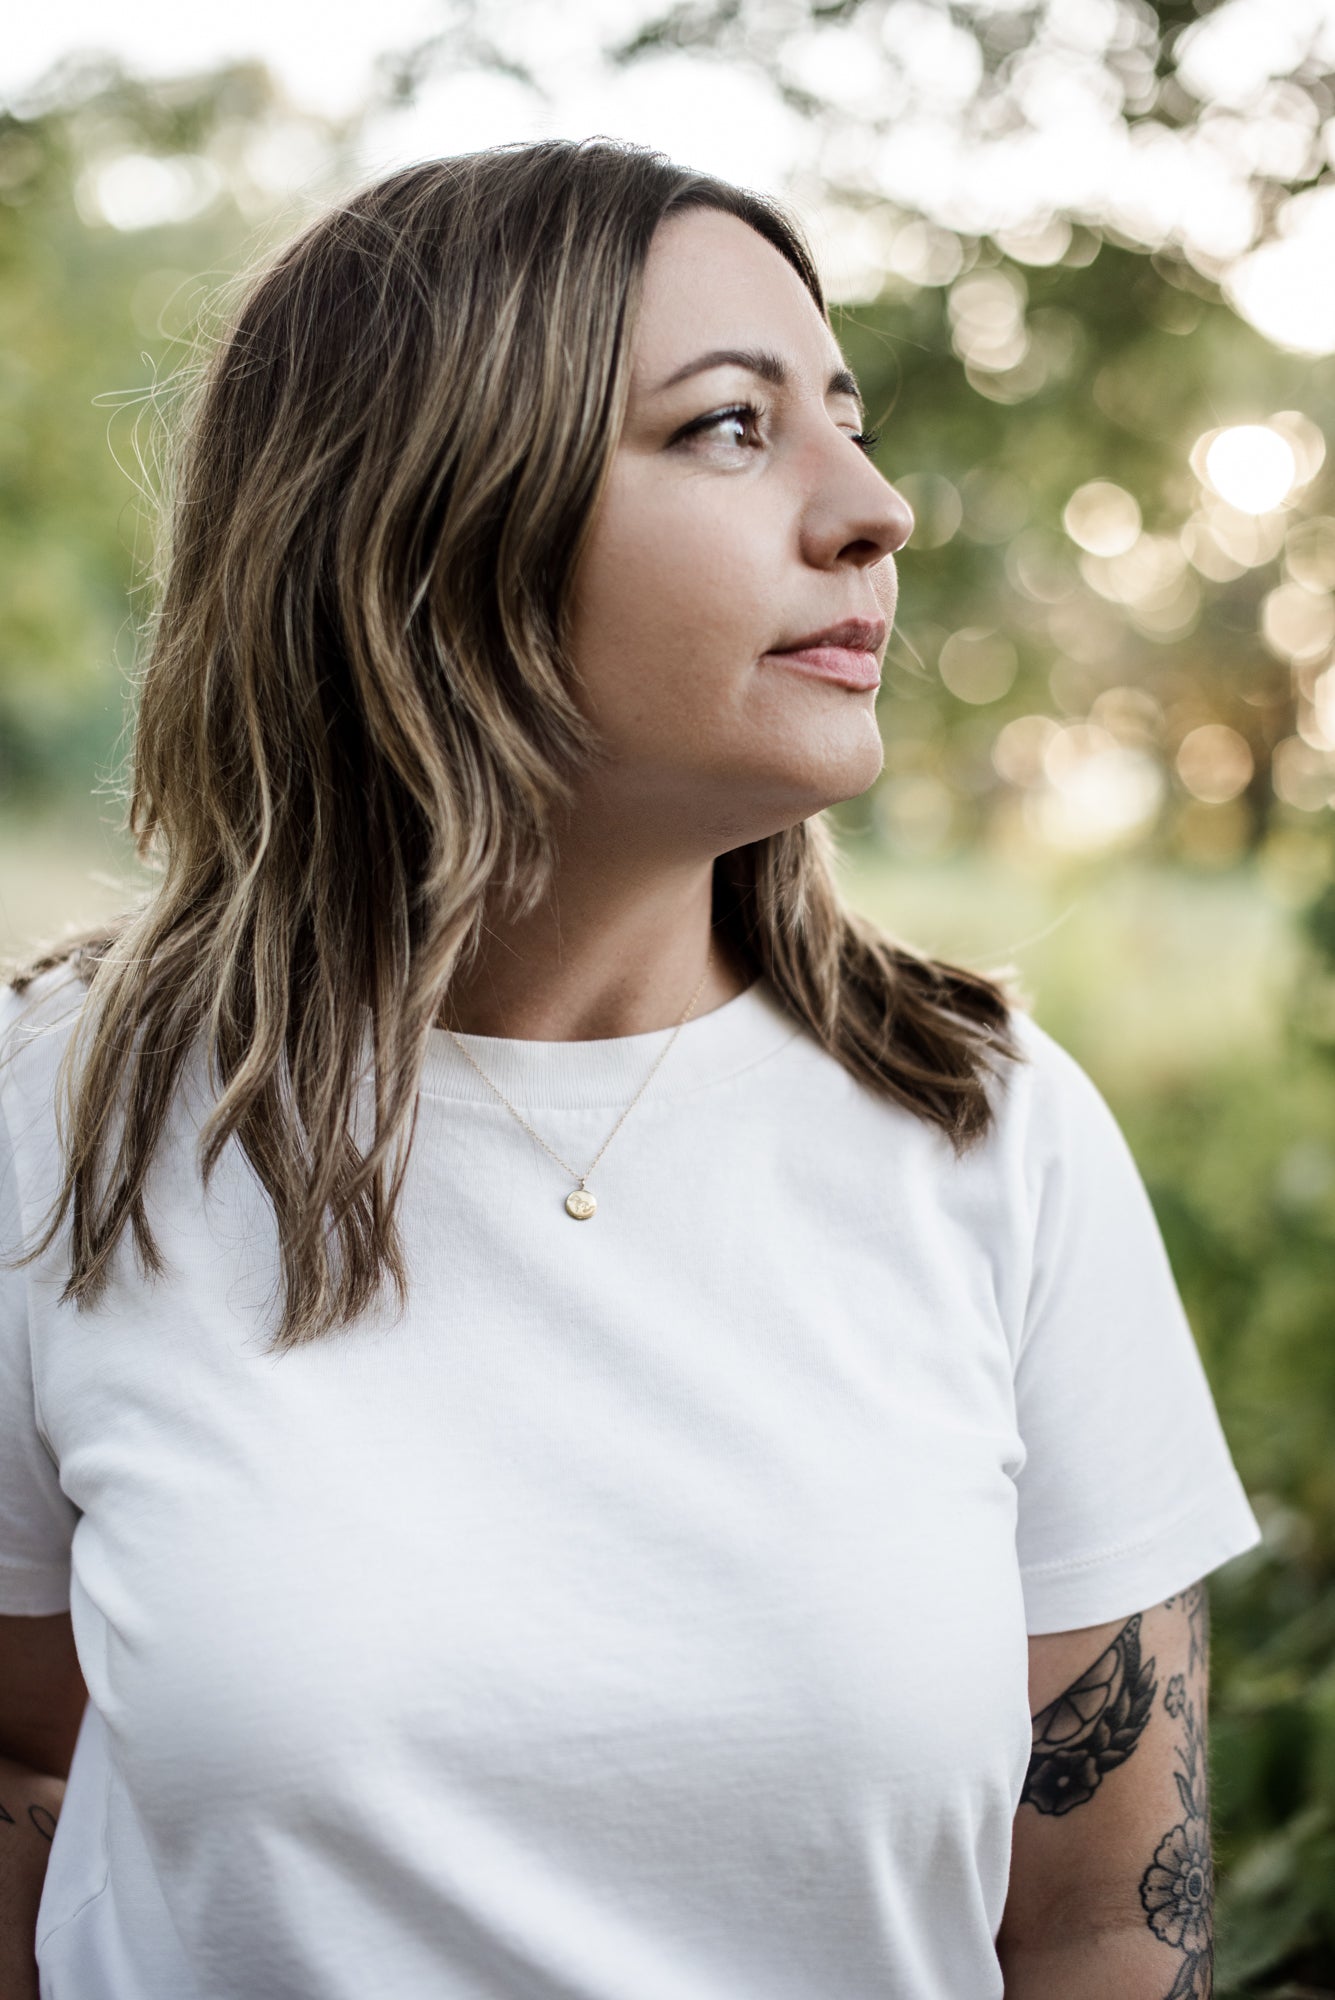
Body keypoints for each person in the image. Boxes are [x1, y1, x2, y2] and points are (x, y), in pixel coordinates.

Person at [0, 137, 1258, 2000]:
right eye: (731, 430)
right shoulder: (66, 1112)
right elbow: (27, 1767)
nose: (878, 509)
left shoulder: (984, 1127)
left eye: (847, 416)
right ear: (423, 523)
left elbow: (1095, 1918)